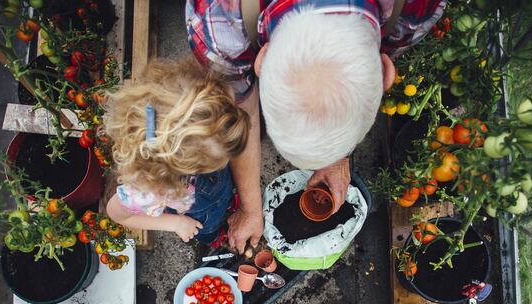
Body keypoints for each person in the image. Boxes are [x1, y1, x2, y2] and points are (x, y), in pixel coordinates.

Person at [187, 0, 446, 252]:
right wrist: (251, 209)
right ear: (386, 73)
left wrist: (337, 158)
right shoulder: (219, 22)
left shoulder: (418, 7)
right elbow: (241, 115)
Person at [104, 58, 250, 244]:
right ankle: (213, 235)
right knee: (207, 231)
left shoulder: (202, 127)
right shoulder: (146, 191)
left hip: (218, 189)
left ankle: (227, 201)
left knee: (225, 191)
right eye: (218, 160)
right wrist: (176, 223)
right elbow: (118, 215)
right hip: (198, 217)